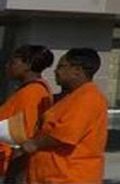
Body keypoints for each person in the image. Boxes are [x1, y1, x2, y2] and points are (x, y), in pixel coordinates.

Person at [20, 48, 108, 184]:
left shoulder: (88, 97)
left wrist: (34, 143)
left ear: (77, 70)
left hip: (69, 177)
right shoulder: (71, 97)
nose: (56, 71)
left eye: (61, 67)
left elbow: (66, 135)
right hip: (50, 176)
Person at [0, 44, 54, 183]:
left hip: (14, 167)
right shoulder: (33, 90)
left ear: (28, 65)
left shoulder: (31, 93)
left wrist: (14, 175)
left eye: (13, 62)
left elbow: (23, 136)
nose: (8, 66)